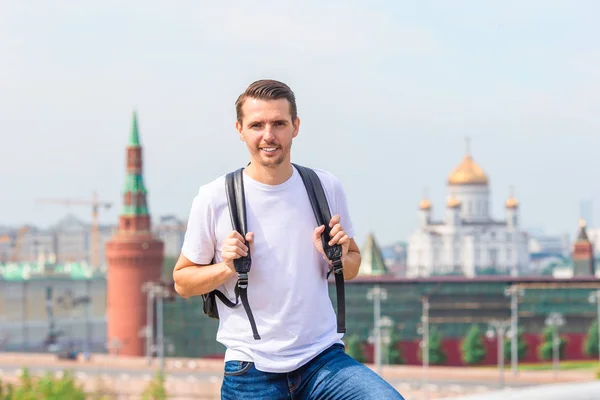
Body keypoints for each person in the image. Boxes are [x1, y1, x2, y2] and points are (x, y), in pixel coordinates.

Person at [173, 79, 404, 399]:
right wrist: (227, 267)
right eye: (257, 125)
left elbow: (352, 267)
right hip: (252, 370)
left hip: (323, 361)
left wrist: (336, 256)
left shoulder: (325, 187)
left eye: (278, 123)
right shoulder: (215, 198)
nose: (268, 135)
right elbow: (182, 282)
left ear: (295, 127)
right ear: (240, 130)